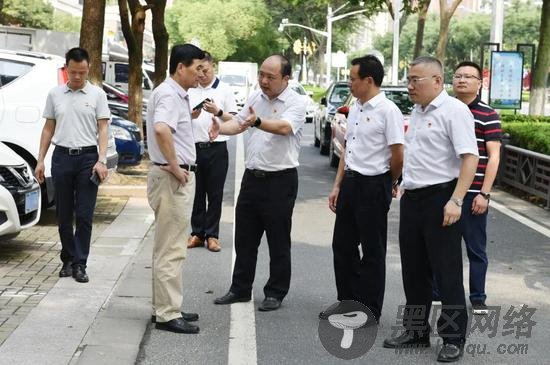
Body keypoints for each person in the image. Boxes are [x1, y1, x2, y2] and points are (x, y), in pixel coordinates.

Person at [382, 56, 479, 363]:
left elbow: (470, 157)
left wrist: (457, 200)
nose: (410, 85)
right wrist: (402, 180)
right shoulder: (419, 110)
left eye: (415, 80)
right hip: (413, 200)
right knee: (414, 270)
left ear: (437, 81)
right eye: (409, 79)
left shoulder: (455, 111)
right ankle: (416, 330)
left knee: (446, 271)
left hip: (442, 200)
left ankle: (453, 337)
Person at [212, 54, 306, 311]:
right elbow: (239, 124)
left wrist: (258, 121)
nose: (263, 81)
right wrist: (219, 130)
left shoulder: (297, 101)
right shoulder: (256, 97)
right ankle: (240, 288)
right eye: (261, 75)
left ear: (286, 78)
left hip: (280, 180)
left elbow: (285, 127)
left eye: (270, 77)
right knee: (245, 238)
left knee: (278, 239)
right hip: (253, 178)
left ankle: (275, 292)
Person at [320, 55, 404, 322]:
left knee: (372, 250)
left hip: (374, 184)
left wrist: (389, 181)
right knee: (342, 246)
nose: (349, 84)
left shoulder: (388, 110)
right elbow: (348, 149)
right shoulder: (355, 107)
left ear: (369, 80)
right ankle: (348, 302)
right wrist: (337, 185)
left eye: (352, 79)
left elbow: (397, 154)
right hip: (351, 182)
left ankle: (369, 309)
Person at [35, 47, 110, 284]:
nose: (77, 77)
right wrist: (40, 160)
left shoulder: (97, 95)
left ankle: (80, 264)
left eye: (82, 72)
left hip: (88, 159)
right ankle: (67, 259)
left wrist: (102, 160)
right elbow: (48, 128)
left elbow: (103, 129)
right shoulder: (55, 94)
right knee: (64, 214)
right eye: (73, 72)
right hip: (62, 158)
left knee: (85, 215)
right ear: (66, 69)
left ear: (88, 70)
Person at [146, 44, 205, 334]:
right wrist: (176, 165)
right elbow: (161, 129)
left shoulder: (173, 94)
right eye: (197, 68)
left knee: (168, 246)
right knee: (171, 249)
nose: (200, 74)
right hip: (172, 180)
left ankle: (166, 307)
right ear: (180, 67)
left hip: (169, 177)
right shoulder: (169, 94)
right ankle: (168, 313)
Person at [452, 61, 501, 315]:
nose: (462, 80)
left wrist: (484, 193)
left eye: (468, 77)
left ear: (479, 84)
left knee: (475, 248)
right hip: (447, 190)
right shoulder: (444, 109)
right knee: (443, 246)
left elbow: (493, 156)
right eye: (458, 75)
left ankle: (478, 297)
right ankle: (439, 292)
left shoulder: (487, 114)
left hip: (473, 194)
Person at [187, 52, 238, 252]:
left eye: (205, 70)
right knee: (197, 192)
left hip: (217, 148)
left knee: (215, 193)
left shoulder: (224, 89)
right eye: (198, 70)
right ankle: (197, 233)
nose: (201, 75)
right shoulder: (190, 89)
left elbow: (234, 120)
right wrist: (192, 114)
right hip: (194, 147)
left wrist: (217, 111)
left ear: (212, 66)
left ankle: (212, 235)